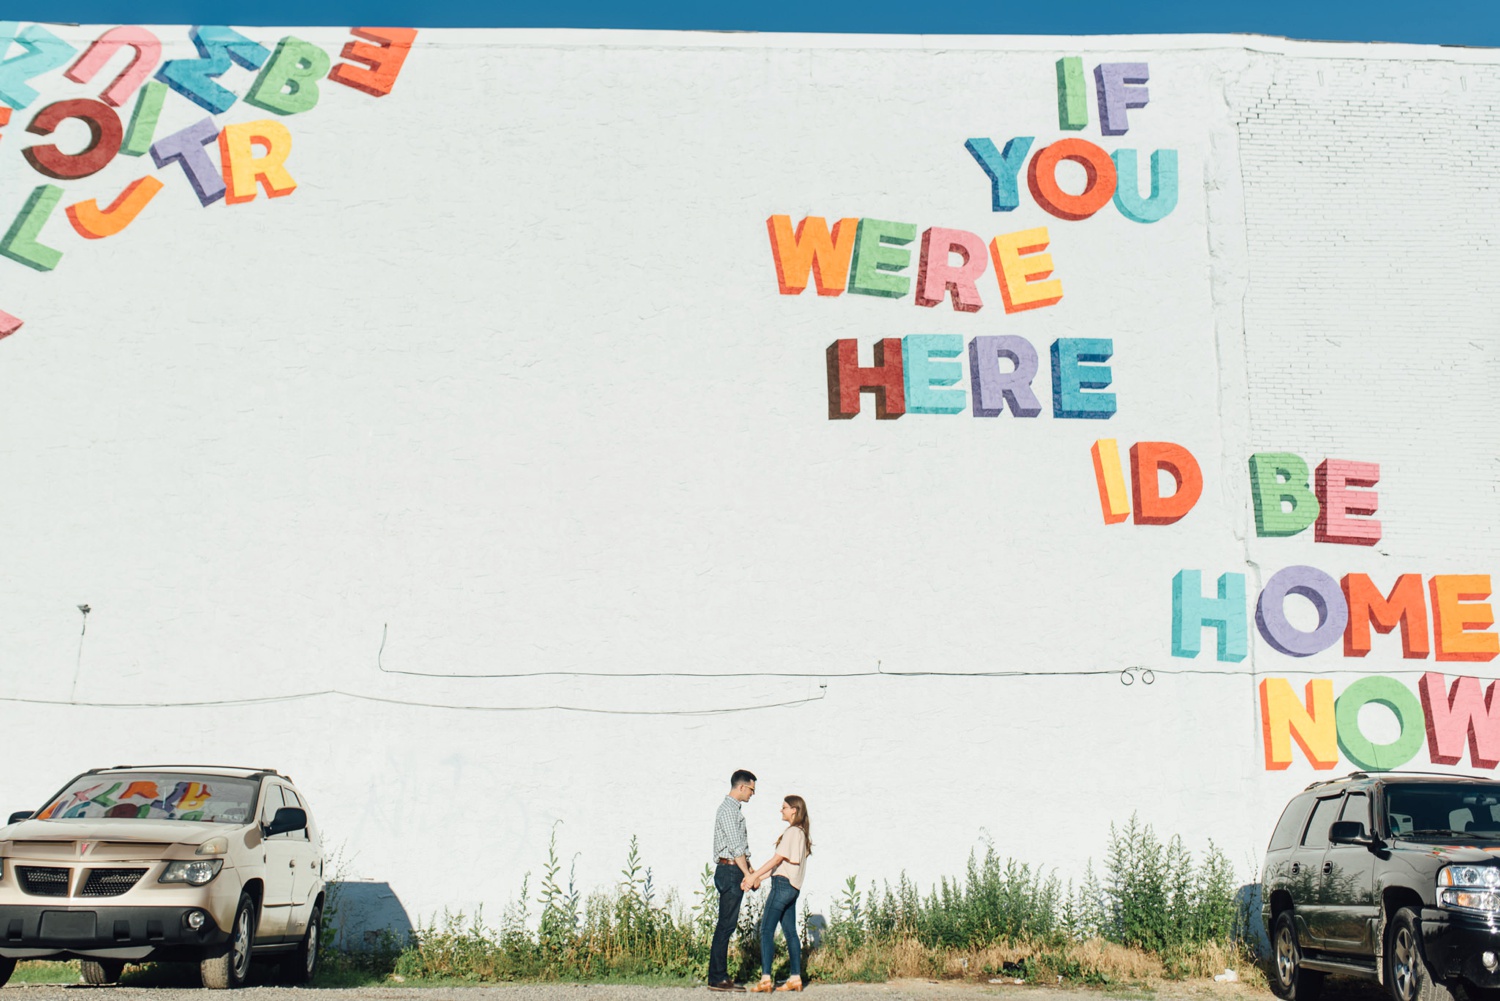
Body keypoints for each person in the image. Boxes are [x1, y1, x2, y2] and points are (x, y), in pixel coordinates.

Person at [742, 795, 811, 993]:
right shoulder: (802, 834)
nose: (781, 810)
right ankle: (795, 977)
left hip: (781, 886)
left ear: (794, 810)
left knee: (766, 930)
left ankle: (765, 978)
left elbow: (776, 860)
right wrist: (758, 879)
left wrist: (753, 875)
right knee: (790, 932)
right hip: (793, 888)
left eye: (784, 807)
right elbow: (784, 865)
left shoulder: (791, 832)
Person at [708, 769, 756, 992]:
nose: (752, 795)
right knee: (725, 925)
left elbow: (740, 848)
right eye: (751, 790)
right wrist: (748, 874)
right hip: (730, 870)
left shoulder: (733, 810)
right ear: (741, 786)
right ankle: (717, 978)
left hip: (734, 868)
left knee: (727, 923)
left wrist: (750, 869)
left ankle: (718, 976)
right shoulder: (728, 810)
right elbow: (736, 847)